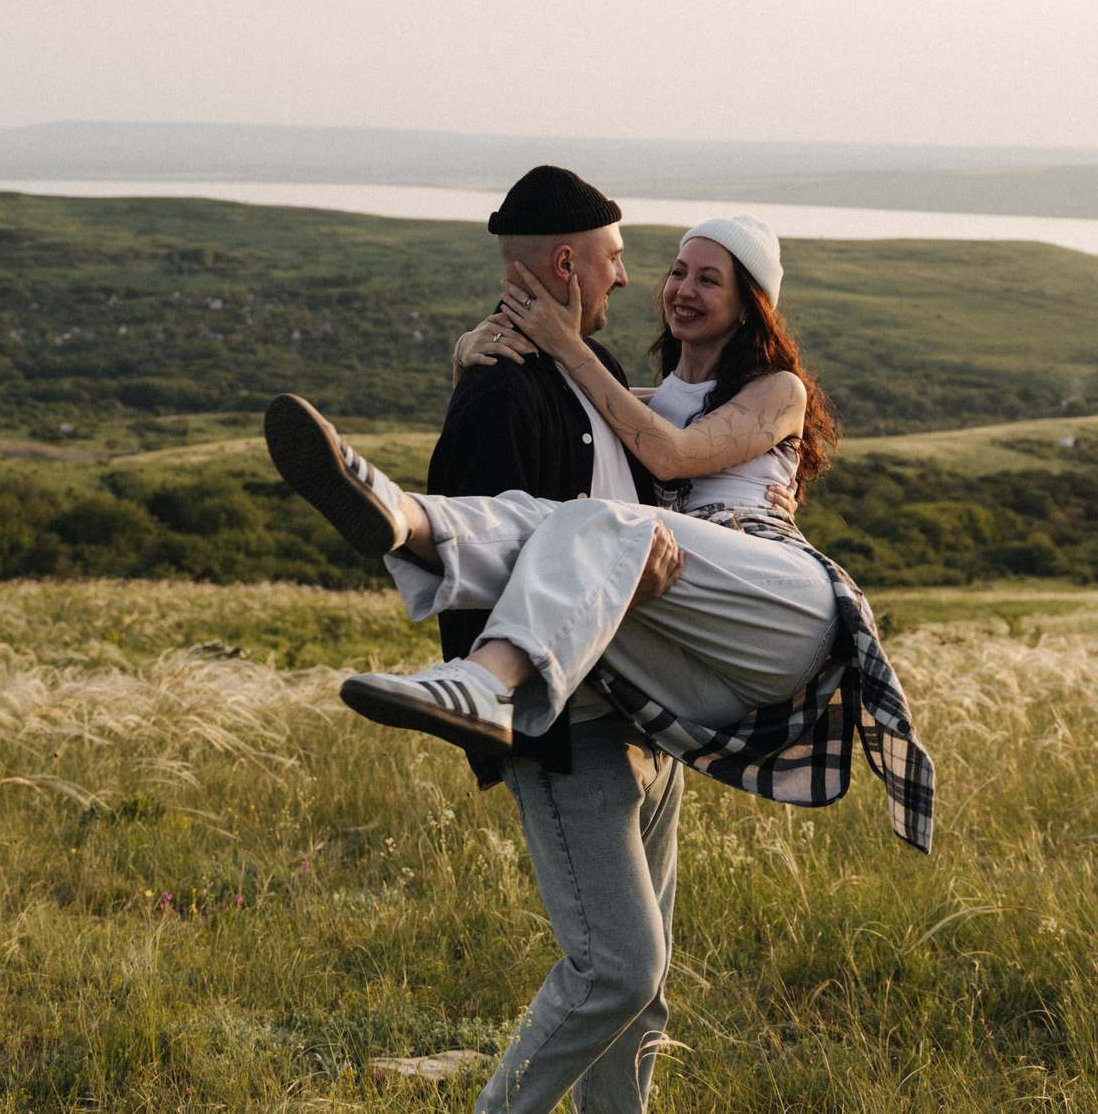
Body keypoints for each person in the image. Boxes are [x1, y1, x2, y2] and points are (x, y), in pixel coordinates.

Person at [263, 169, 933, 1114]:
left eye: (710, 276)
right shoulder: (640, 390)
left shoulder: (774, 388)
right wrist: (478, 357)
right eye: (671, 268)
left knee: (597, 524)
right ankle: (430, 565)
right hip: (653, 675)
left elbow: (663, 458)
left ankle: (421, 540)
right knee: (634, 981)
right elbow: (578, 443)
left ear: (753, 308)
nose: (668, 286)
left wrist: (557, 343)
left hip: (779, 602)